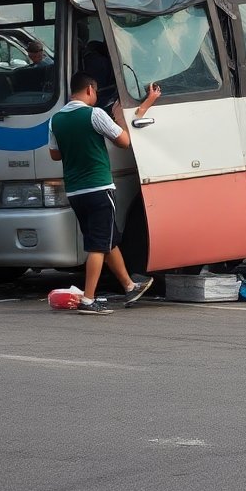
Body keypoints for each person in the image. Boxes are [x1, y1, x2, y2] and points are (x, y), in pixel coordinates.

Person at [48, 73, 160, 315]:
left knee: (108, 240)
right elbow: (123, 141)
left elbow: (55, 155)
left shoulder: (55, 120)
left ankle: (129, 285)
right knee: (98, 245)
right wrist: (122, 117)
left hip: (76, 191)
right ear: (90, 90)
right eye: (95, 92)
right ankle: (88, 299)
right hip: (99, 187)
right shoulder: (94, 114)